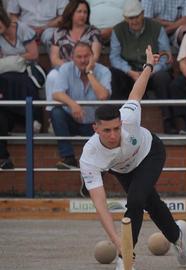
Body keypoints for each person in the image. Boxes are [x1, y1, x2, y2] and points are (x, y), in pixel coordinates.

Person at [80, 45, 186, 270]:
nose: (113, 135)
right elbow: (101, 206)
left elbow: (136, 93)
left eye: (116, 129)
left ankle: (125, 259)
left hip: (149, 152)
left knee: (136, 199)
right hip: (122, 168)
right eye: (107, 131)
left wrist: (149, 66)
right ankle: (177, 236)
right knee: (149, 202)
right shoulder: (90, 156)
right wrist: (116, 241)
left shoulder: (129, 118)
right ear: (95, 129)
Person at [109, 0, 175, 134]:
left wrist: (150, 70)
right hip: (130, 74)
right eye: (130, 18)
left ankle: (168, 121)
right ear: (125, 18)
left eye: (137, 17)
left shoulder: (157, 28)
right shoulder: (118, 30)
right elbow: (114, 57)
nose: (134, 21)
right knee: (114, 74)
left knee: (163, 78)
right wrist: (129, 71)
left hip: (153, 72)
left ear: (143, 14)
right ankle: (117, 120)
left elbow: (165, 56)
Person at [51, 42, 111, 169]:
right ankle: (68, 158)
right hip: (73, 120)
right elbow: (56, 93)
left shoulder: (104, 71)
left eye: (86, 56)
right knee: (57, 112)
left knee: (94, 164)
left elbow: (103, 96)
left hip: (94, 125)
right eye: (79, 57)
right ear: (73, 57)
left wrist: (89, 73)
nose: (83, 60)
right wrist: (73, 104)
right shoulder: (66, 68)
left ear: (93, 56)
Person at [0, 5, 41, 169]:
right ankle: (4, 157)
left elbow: (34, 54)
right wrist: (13, 60)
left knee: (23, 83)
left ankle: (32, 118)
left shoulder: (22, 29)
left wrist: (15, 59)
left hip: (26, 71)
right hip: (6, 75)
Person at [46, 0, 102, 112]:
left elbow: (95, 56)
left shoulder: (93, 32)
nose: (83, 15)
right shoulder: (59, 32)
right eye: (79, 11)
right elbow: (54, 58)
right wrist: (70, 68)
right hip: (64, 69)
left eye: (85, 12)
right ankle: (53, 114)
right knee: (52, 76)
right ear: (71, 13)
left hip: (86, 69)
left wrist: (80, 67)